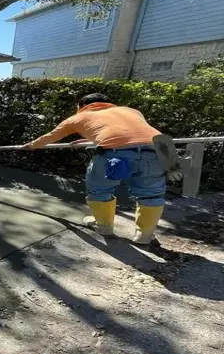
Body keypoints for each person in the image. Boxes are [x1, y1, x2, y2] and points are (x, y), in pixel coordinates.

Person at [23, 93, 166, 245]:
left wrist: (31, 146)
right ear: (109, 104)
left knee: (99, 189)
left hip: (114, 154)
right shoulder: (132, 111)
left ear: (81, 106)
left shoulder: (78, 117)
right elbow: (129, 132)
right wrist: (92, 138)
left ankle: (104, 226)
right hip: (154, 151)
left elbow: (50, 137)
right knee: (151, 194)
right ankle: (145, 235)